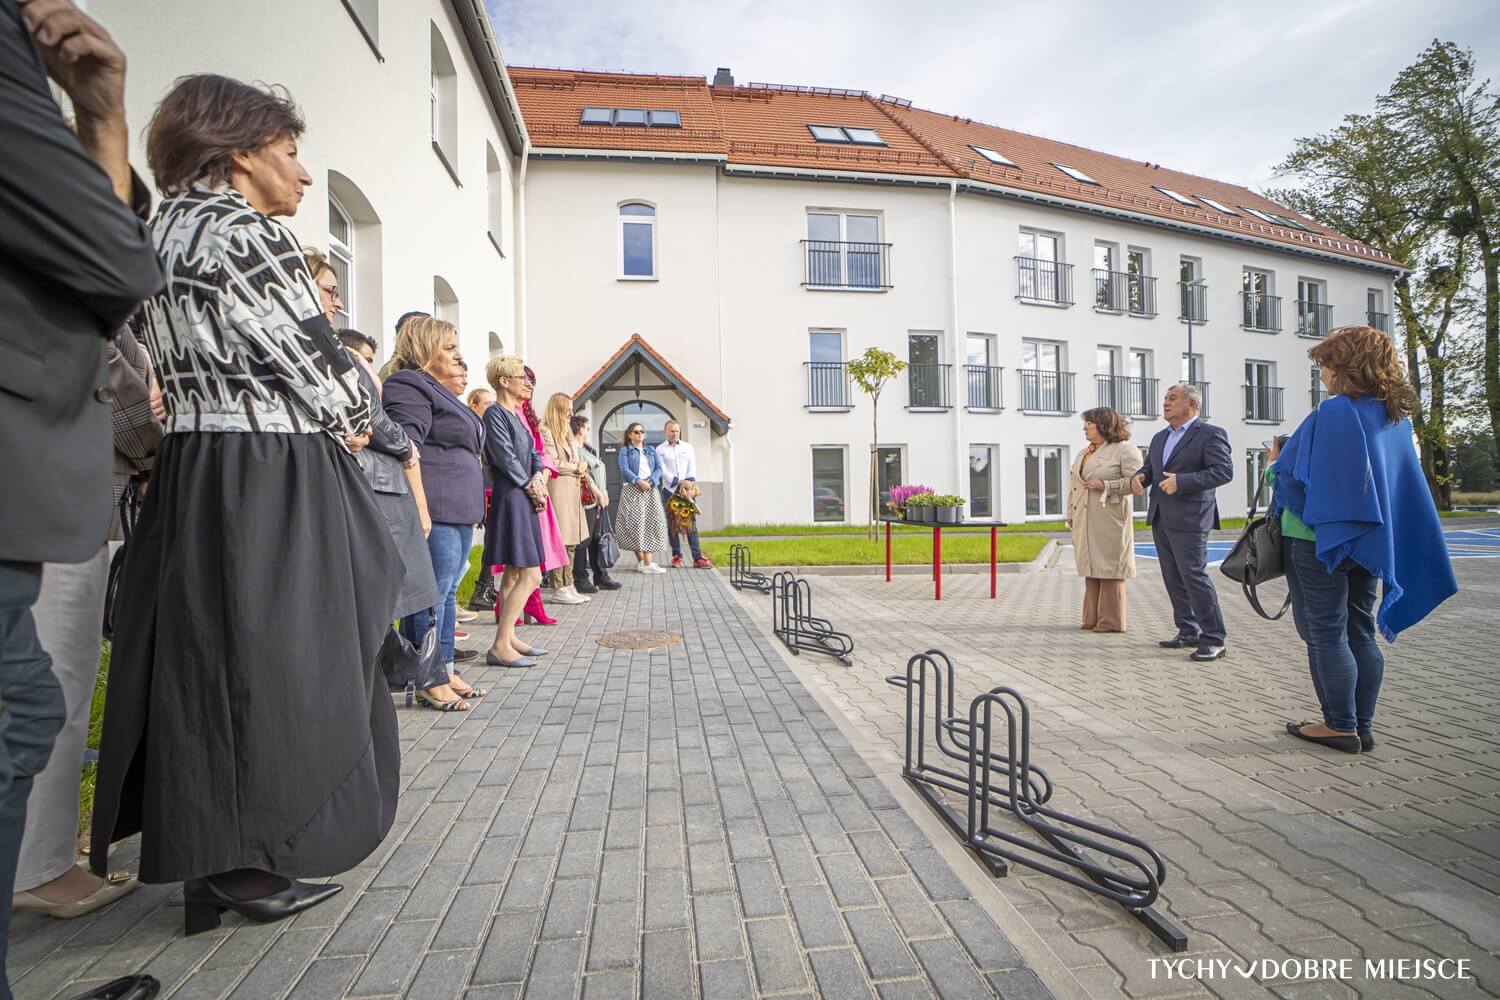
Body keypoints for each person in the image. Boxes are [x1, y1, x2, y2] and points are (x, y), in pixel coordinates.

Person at [90, 74, 401, 935]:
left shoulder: (160, 231)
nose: (303, 176)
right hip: (273, 465)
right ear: (240, 153)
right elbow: (314, 356)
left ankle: (216, 864)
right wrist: (353, 412)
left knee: (211, 662)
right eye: (291, 152)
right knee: (294, 662)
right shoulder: (246, 234)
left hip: (196, 467)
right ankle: (260, 863)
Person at [0, 0, 163, 985]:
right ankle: (44, 867)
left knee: (28, 698)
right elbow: (116, 263)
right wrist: (101, 120)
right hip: (52, 468)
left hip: (48, 469)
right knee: (28, 700)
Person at [12, 321, 164, 922]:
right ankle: (40, 868)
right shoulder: (61, 255)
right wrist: (155, 436)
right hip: (62, 498)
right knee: (54, 686)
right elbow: (99, 369)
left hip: (50, 494)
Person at [1271, 326, 1457, 753]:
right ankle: (1362, 725)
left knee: (1325, 632)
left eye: (1325, 366)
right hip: (1368, 542)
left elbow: (1296, 481)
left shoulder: (1336, 412)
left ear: (1345, 367)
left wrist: (1274, 463)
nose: (1322, 376)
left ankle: (1338, 725)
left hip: (1317, 540)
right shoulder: (1392, 418)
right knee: (1359, 629)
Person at [383, 315, 485, 669]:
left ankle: (444, 669)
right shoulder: (409, 384)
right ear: (425, 349)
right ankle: (424, 674)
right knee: (431, 594)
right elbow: (406, 445)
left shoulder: (442, 390)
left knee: (448, 593)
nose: (459, 356)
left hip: (458, 506)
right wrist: (421, 508)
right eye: (450, 347)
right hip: (437, 506)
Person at [1131, 383, 1233, 661]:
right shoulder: (1160, 437)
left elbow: (1223, 472)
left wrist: (1183, 482)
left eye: (1172, 398)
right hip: (1161, 516)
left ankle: (1214, 638)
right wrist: (1140, 477)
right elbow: (1151, 469)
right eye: (1165, 398)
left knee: (1194, 577)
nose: (1165, 403)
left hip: (1191, 518)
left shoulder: (1210, 434)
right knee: (1173, 578)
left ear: (1192, 405)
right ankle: (1189, 630)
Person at [481, 356, 550, 668]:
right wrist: (529, 484)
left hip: (522, 493)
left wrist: (536, 476)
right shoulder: (495, 413)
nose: (528, 382)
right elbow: (504, 457)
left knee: (512, 573)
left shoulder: (517, 414)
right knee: (531, 573)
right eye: (521, 377)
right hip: (512, 496)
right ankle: (499, 645)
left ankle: (508, 638)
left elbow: (533, 452)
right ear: (504, 381)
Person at [1066, 407, 1142, 633]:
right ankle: (1092, 617)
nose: (1084, 428)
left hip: (1109, 516)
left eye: (1088, 423)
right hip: (1085, 516)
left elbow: (1138, 483)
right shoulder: (1084, 452)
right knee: (1091, 565)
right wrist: (1070, 511)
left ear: (1103, 425)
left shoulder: (1125, 450)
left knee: (1110, 567)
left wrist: (1107, 485)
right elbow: (1075, 483)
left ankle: (1112, 620)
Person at [513, 367, 569, 617]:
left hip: (538, 485)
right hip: (522, 488)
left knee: (536, 551)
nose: (529, 385)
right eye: (524, 380)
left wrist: (542, 474)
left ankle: (532, 603)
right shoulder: (506, 412)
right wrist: (534, 480)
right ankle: (511, 609)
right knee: (519, 556)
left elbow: (540, 453)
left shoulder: (528, 415)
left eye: (532, 381)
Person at [539, 393, 591, 603]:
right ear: (558, 409)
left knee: (572, 539)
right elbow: (552, 462)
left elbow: (577, 459)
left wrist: (580, 466)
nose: (571, 413)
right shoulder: (546, 430)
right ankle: (558, 586)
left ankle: (568, 583)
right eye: (567, 409)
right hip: (558, 488)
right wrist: (576, 467)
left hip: (572, 488)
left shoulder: (567, 432)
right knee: (560, 538)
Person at [572, 413, 621, 593]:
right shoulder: (575, 450)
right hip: (587, 500)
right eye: (586, 428)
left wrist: (604, 492)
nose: (587, 431)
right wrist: (599, 493)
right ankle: (580, 578)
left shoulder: (586, 449)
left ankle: (600, 575)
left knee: (596, 539)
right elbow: (586, 475)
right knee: (584, 540)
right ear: (578, 429)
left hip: (598, 499)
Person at [656, 420, 712, 568]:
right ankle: (676, 556)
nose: (674, 433)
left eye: (676, 431)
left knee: (690, 524)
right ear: (665, 432)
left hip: (687, 492)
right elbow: (662, 470)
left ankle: (697, 558)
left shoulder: (688, 447)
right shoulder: (660, 450)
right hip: (670, 492)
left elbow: (692, 466)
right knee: (673, 525)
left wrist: (689, 482)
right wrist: (679, 482)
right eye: (671, 431)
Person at [617, 423, 669, 573]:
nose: (640, 434)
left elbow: (659, 468)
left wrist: (651, 481)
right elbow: (624, 469)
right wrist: (637, 481)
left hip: (650, 490)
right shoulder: (625, 451)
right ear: (630, 435)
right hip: (633, 490)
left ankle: (648, 563)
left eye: (642, 431)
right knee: (634, 525)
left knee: (652, 523)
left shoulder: (651, 450)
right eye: (636, 432)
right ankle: (642, 561)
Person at [466, 388, 500, 612]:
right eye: (486, 403)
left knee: (494, 541)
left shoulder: (487, 428)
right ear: (474, 406)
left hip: (490, 488)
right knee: (491, 541)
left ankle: (486, 588)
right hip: (483, 489)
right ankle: (482, 590)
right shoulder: (476, 429)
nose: (491, 407)